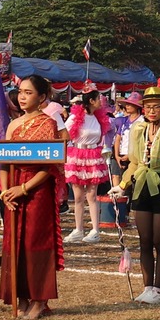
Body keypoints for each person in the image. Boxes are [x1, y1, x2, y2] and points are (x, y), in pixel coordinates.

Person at [0, 74, 63, 319]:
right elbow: (3, 160)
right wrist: (6, 191)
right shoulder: (13, 124)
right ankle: (21, 296)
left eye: (28, 92)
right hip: (12, 190)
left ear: (42, 97)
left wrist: (24, 189)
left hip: (36, 190)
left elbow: (49, 166)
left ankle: (39, 299)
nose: (22, 97)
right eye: (20, 92)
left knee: (36, 243)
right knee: (13, 242)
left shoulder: (48, 124)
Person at [116, 85, 160, 304]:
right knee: (144, 240)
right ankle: (146, 287)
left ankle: (157, 289)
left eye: (156, 107)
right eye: (148, 107)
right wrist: (124, 184)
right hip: (141, 184)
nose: (152, 111)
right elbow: (134, 161)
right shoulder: (138, 130)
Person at [63, 89, 108, 243]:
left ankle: (95, 230)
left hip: (93, 155)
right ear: (91, 101)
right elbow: (64, 133)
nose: (101, 101)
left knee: (92, 195)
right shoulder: (75, 117)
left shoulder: (98, 117)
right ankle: (78, 229)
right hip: (77, 155)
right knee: (78, 196)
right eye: (98, 99)